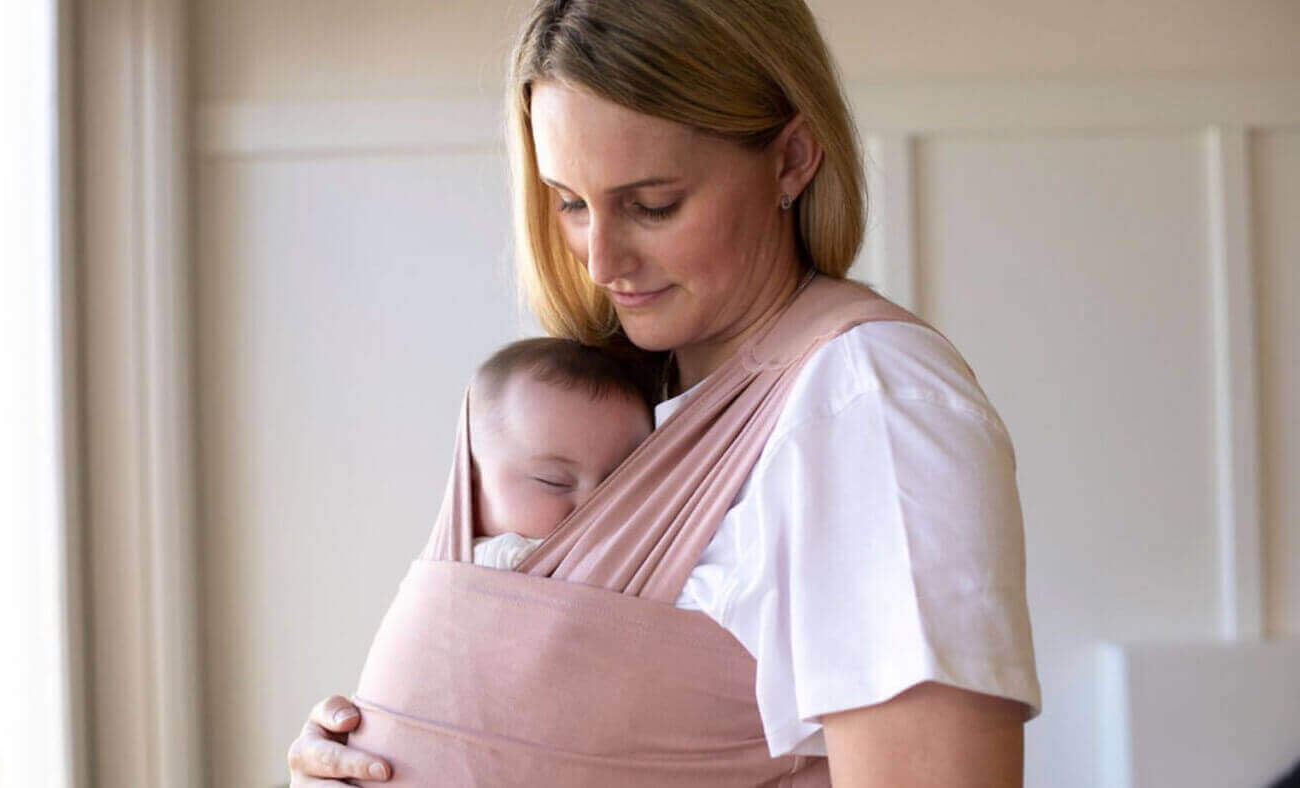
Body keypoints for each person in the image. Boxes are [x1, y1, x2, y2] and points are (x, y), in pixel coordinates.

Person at [287, 0, 1042, 784]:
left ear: (792, 159)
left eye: (652, 205)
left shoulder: (871, 403)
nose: (601, 259)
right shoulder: (601, 398)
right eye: (571, 203)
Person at [465, 337, 654, 570]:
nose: (591, 507)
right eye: (554, 481)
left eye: (616, 486)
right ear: (470, 486)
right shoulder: (494, 562)